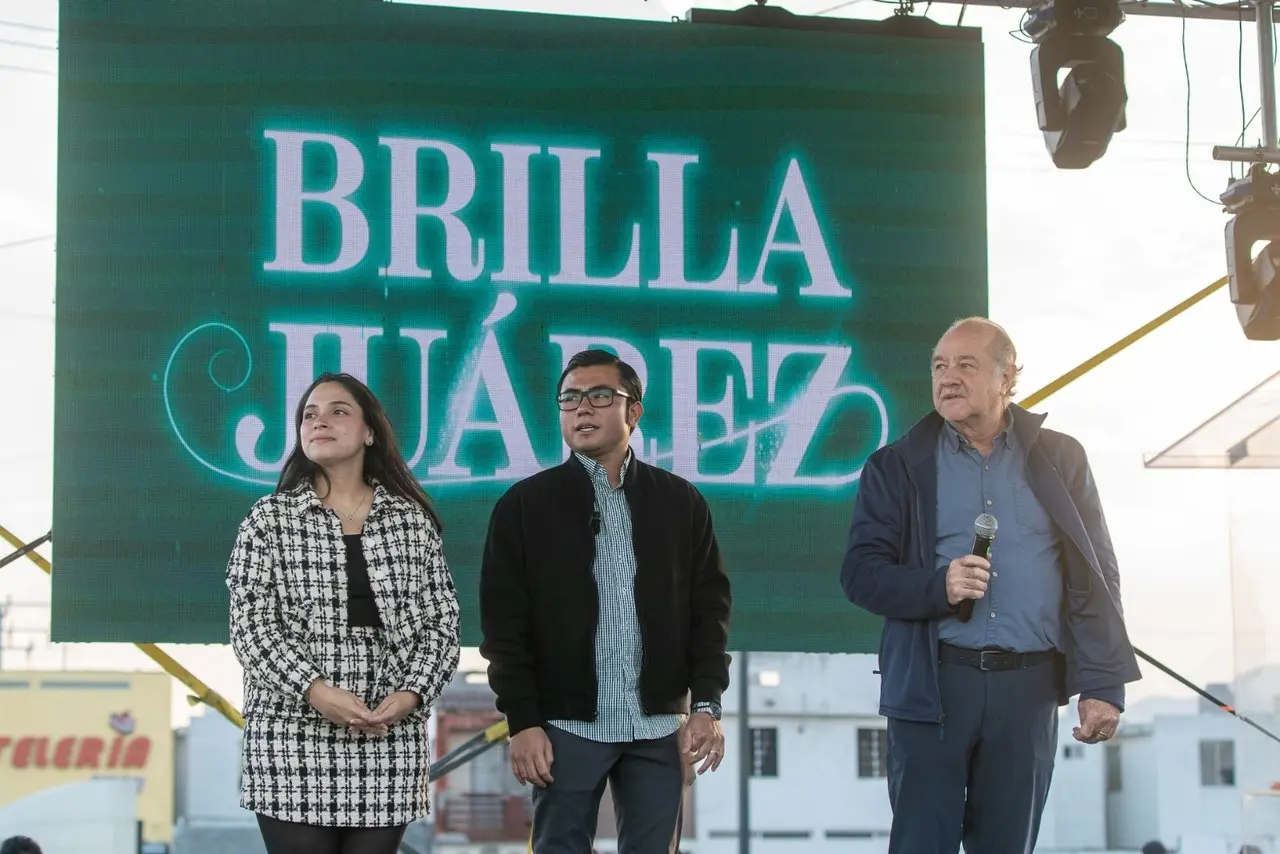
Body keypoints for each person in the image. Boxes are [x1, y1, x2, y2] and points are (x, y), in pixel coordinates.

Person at [840, 317, 1141, 854]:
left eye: (965, 365)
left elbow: (1097, 577)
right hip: (933, 686)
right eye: (939, 366)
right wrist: (940, 586)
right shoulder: (896, 465)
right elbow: (861, 575)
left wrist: (1102, 685)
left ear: (1008, 377)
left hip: (1027, 689)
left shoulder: (1061, 458)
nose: (947, 378)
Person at [479, 349, 732, 854]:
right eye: (569, 399)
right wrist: (524, 721)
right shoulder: (525, 506)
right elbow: (504, 628)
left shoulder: (681, 503)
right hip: (565, 725)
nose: (582, 409)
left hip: (658, 725)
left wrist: (705, 704)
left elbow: (710, 615)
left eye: (599, 396)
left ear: (633, 412)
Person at [226, 372, 461, 854]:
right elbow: (251, 630)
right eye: (309, 415)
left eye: (338, 411)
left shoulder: (411, 521)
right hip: (291, 737)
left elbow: (442, 626)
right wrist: (315, 690)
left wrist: (412, 695)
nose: (320, 421)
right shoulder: (268, 520)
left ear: (369, 431)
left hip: (387, 738)